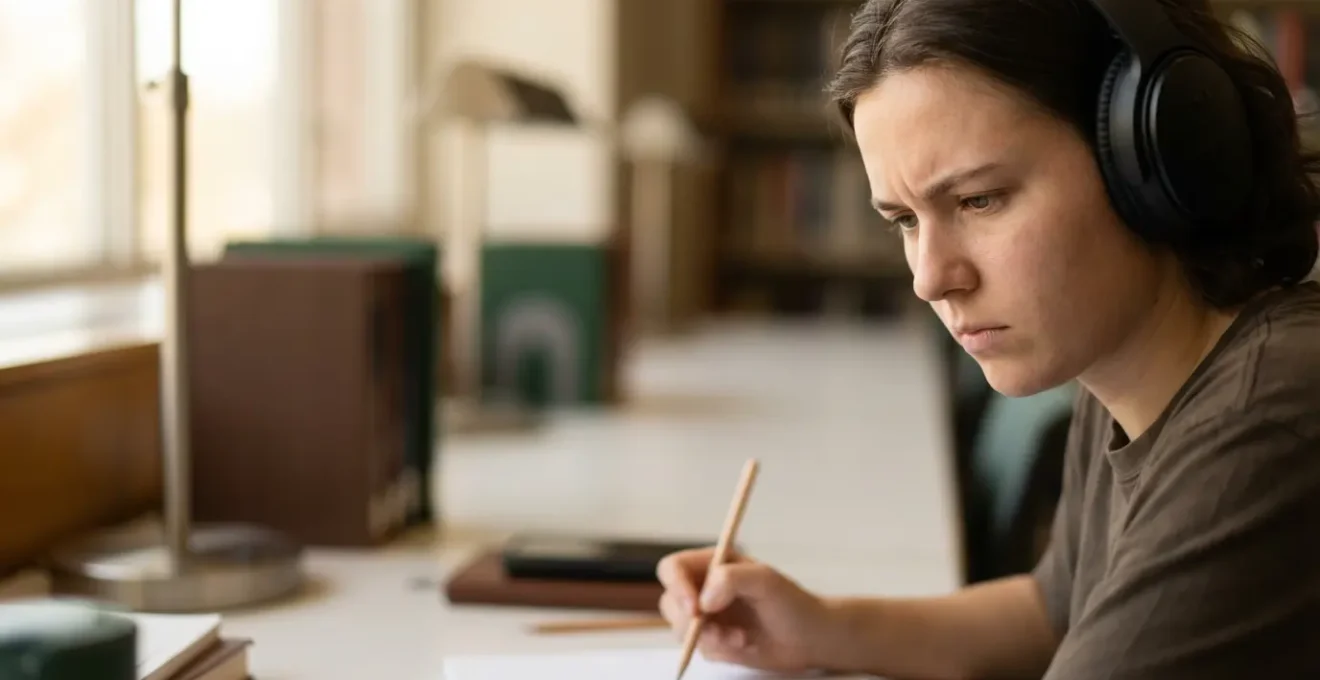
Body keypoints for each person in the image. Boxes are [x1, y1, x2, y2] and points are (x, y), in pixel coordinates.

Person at [656, 0, 1320, 677]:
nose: (930, 278)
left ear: (1154, 156)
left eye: (979, 200)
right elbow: (1052, 609)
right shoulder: (1132, 367)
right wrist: (824, 628)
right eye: (904, 221)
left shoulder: (1268, 419)